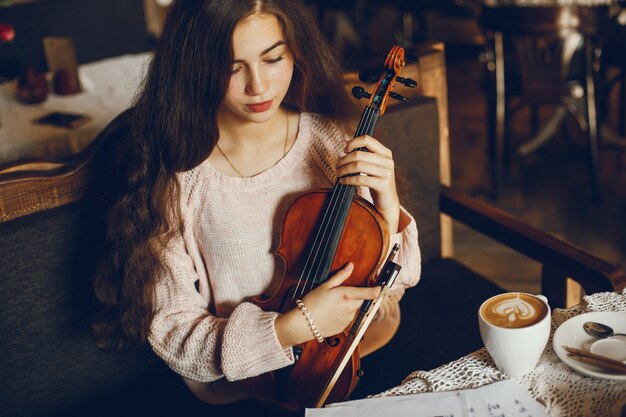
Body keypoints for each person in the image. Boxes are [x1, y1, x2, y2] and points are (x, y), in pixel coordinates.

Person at [92, 0, 421, 410]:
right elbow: (175, 333)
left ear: (295, 52)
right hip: (247, 387)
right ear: (194, 65)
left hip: (363, 350)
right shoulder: (178, 181)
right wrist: (290, 328)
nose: (259, 86)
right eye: (232, 67)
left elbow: (394, 287)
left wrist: (387, 205)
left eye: (273, 58)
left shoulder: (331, 141)